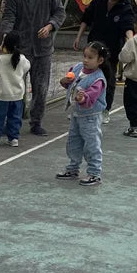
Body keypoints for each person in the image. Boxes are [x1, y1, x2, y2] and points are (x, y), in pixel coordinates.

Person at [1, 0, 66, 136]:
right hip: (20, 50)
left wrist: (50, 25)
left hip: (43, 50)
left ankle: (36, 121)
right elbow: (8, 17)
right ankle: (13, 121)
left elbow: (60, 12)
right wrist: (7, 36)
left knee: (40, 88)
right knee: (15, 88)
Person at [73, 0, 135, 122]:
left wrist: (131, 42)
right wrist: (78, 36)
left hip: (112, 50)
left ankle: (105, 110)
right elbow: (86, 19)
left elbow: (128, 26)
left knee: (108, 80)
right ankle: (83, 106)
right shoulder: (99, 1)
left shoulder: (126, 6)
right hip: (94, 46)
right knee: (87, 77)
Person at [56, 41, 110, 186]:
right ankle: (73, 168)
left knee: (92, 144)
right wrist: (64, 81)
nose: (85, 60)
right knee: (73, 142)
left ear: (100, 61)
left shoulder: (98, 78)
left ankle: (94, 173)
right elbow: (68, 83)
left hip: (90, 117)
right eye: (84, 56)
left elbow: (91, 97)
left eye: (90, 57)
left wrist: (83, 97)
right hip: (76, 114)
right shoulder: (77, 68)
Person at [0, 30, 31, 147]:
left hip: (2, 95)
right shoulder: (22, 59)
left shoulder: (0, 60)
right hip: (17, 95)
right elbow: (27, 67)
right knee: (15, 117)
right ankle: (13, 138)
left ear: (4, 45)